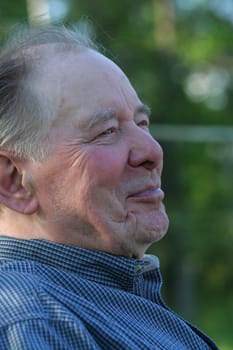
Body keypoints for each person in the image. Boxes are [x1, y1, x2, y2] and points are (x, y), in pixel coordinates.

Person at [0, 24, 218, 350]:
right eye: (107, 131)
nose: (152, 151)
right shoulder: (35, 320)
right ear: (14, 181)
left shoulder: (96, 300)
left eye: (142, 123)